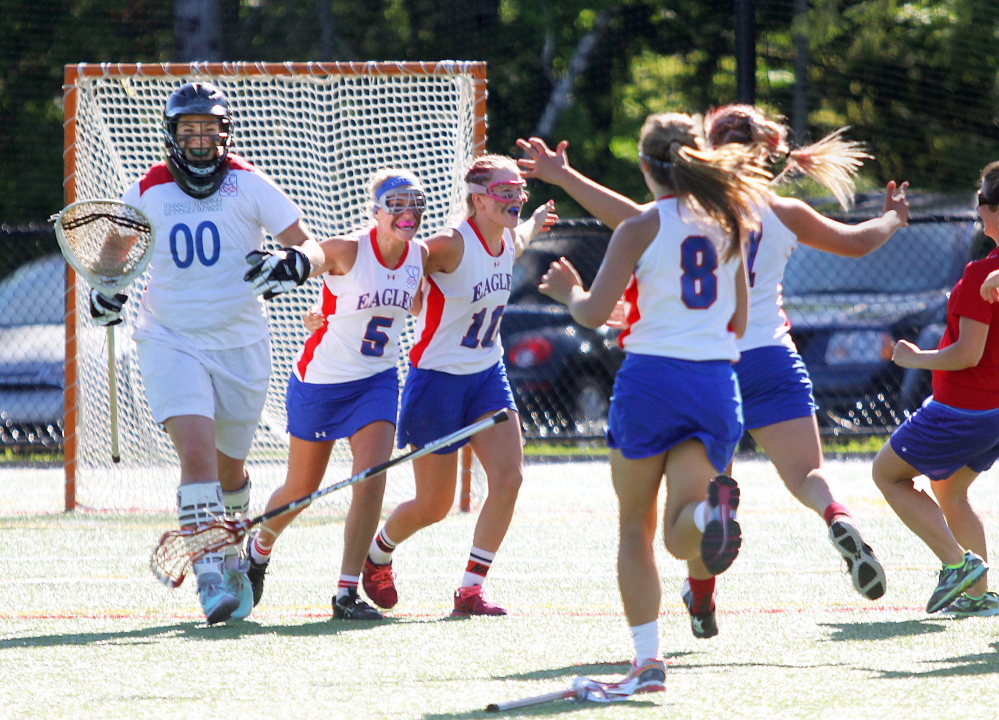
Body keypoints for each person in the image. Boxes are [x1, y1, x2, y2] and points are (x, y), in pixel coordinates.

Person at [517, 104, 909, 639]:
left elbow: (630, 221)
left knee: (666, 513)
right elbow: (857, 243)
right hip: (758, 358)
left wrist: (564, 178)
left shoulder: (675, 217)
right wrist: (892, 217)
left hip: (683, 365)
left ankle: (688, 614)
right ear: (767, 149)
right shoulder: (764, 213)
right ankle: (836, 515)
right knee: (802, 475)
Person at [538, 112, 767, 692]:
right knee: (678, 531)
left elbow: (591, 314)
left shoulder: (639, 226)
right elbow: (738, 319)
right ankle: (711, 515)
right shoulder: (730, 222)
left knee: (635, 530)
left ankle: (648, 662)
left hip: (650, 384)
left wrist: (569, 293)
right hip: (714, 384)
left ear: (645, 166)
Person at [87, 81, 319, 624]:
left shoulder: (248, 183)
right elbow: (114, 255)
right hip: (170, 336)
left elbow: (305, 242)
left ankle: (232, 543)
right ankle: (209, 574)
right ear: (172, 134)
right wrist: (104, 289)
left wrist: (294, 263)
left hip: (240, 341)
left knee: (231, 470)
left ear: (223, 132)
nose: (197, 138)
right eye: (187, 128)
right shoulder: (148, 187)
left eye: (207, 128)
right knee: (196, 456)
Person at [356, 154, 557, 617]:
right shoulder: (449, 243)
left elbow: (521, 239)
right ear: (479, 200)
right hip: (437, 381)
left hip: (487, 374)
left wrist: (537, 221)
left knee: (509, 478)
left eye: (518, 192)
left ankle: (470, 590)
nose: (515, 200)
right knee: (434, 505)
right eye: (505, 193)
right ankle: (378, 555)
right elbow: (399, 258)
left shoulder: (506, 236)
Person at [242, 169, 428, 620]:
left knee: (372, 478)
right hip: (321, 382)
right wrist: (291, 265)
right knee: (302, 490)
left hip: (377, 380)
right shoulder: (351, 247)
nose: (407, 213)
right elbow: (315, 256)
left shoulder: (418, 255)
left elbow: (419, 303)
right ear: (376, 212)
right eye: (397, 205)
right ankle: (259, 549)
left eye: (414, 204)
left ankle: (346, 593)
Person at [871, 162, 999, 617]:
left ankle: (956, 564)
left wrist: (915, 358)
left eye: (981, 199)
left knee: (887, 474)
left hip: (961, 410)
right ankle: (978, 595)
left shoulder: (979, 276)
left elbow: (967, 354)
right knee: (949, 490)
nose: (977, 208)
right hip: (992, 413)